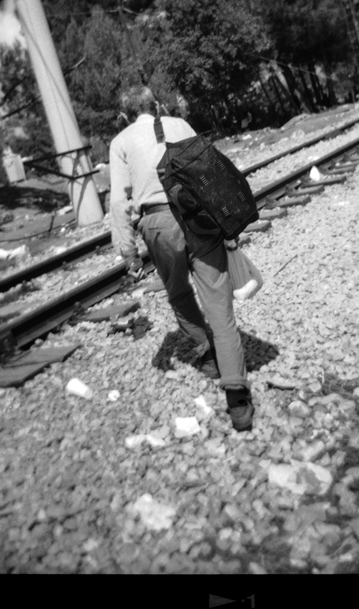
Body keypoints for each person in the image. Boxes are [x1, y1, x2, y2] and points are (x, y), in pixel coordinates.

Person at [108, 85, 254, 432]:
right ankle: (238, 403)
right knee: (220, 309)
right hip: (198, 218)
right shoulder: (180, 125)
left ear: (127, 115)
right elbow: (210, 171)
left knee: (178, 294)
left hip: (158, 224)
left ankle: (207, 353)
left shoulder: (121, 142)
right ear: (155, 106)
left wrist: (128, 252)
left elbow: (118, 202)